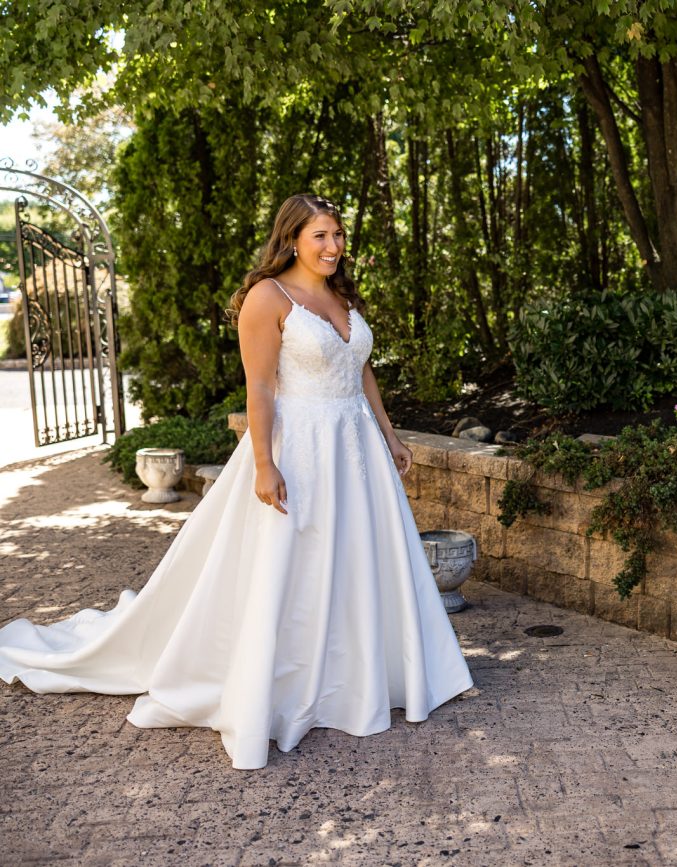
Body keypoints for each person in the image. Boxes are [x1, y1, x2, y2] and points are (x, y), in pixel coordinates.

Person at [0, 193, 473, 770]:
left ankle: (365, 673)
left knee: (359, 558)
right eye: (320, 235)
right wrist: (266, 465)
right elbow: (261, 389)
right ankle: (285, 685)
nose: (332, 246)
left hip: (356, 447)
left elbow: (361, 370)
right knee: (292, 561)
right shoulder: (267, 298)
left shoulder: (342, 295)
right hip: (299, 445)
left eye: (339, 234)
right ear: (291, 238)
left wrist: (391, 435)